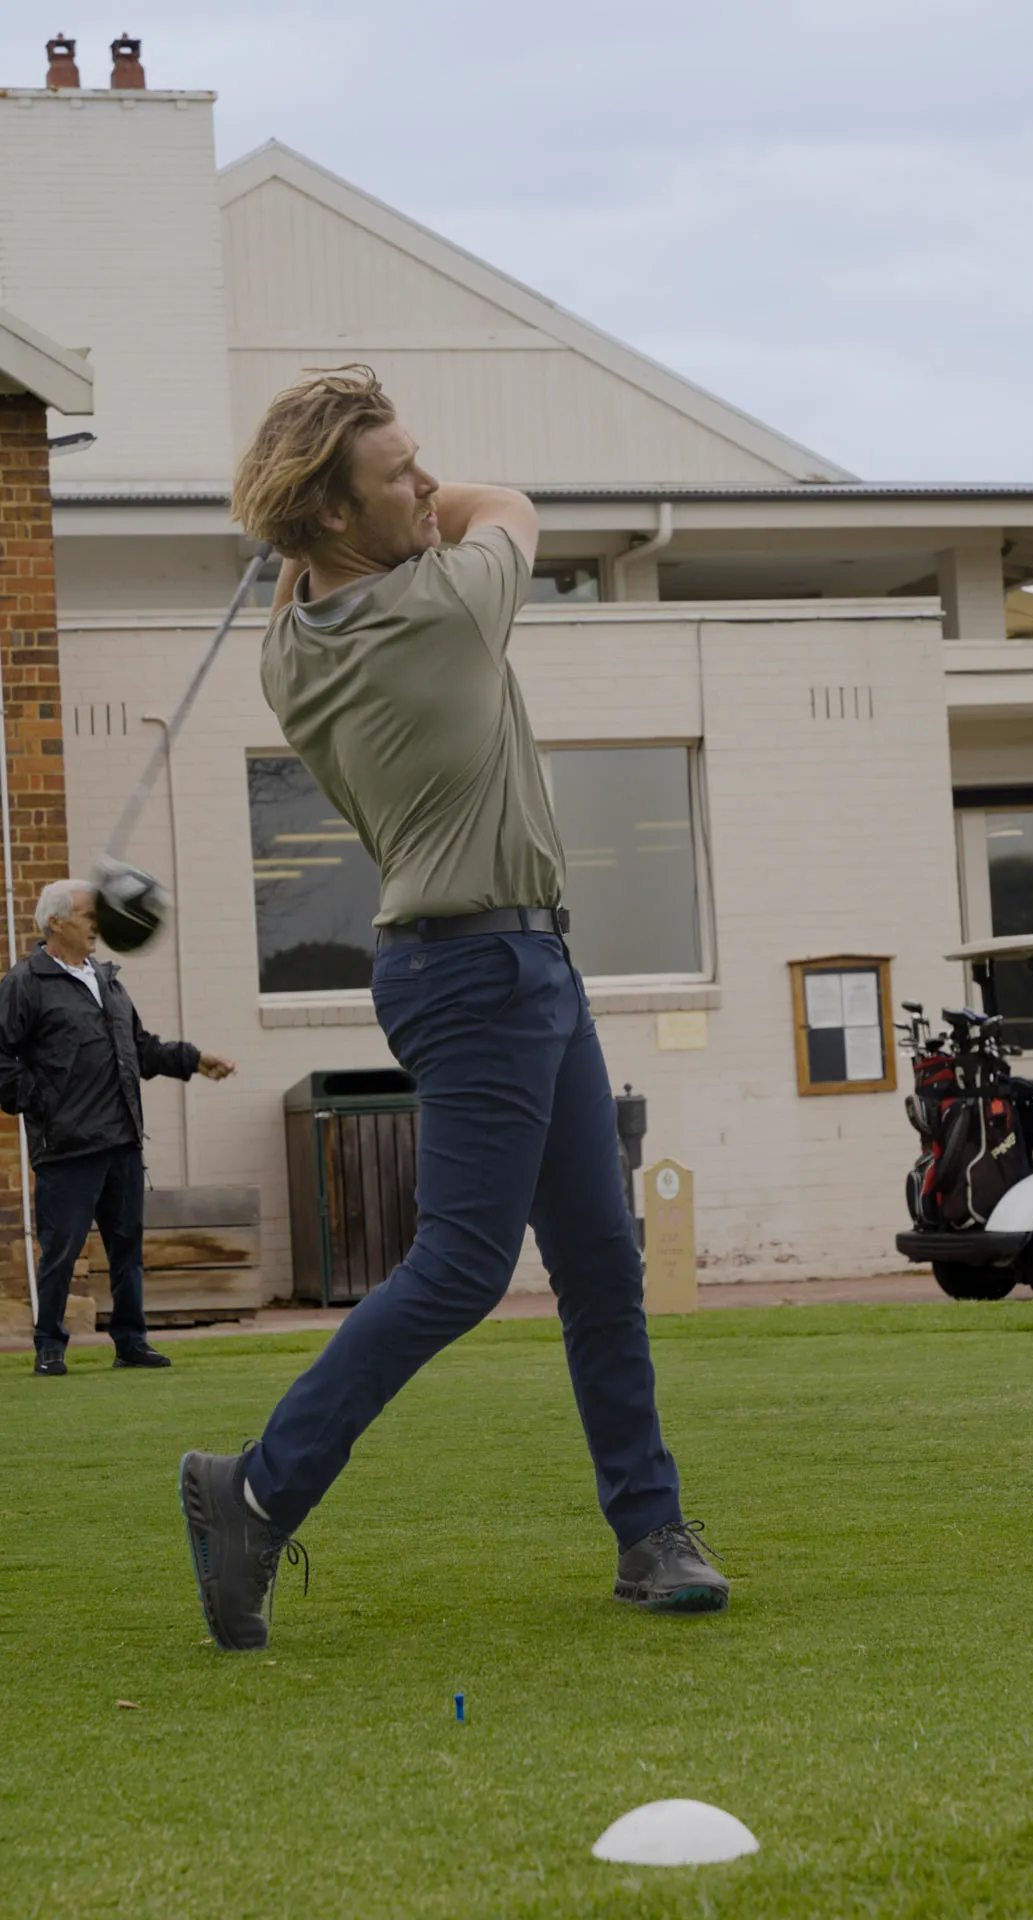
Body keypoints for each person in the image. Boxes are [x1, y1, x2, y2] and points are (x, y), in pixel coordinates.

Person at [179, 367, 727, 1651]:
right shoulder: (439, 611)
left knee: (598, 1260)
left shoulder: (291, 648)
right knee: (464, 1266)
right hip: (480, 971)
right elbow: (512, 502)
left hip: (504, 964)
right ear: (323, 519)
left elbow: (372, 537)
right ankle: (255, 1489)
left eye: (421, 463)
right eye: (396, 474)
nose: (427, 484)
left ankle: (651, 1533)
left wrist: (370, 489)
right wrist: (431, 500)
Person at [0, 879, 236, 1374]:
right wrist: (39, 1101)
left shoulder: (108, 981)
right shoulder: (26, 983)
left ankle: (131, 1341)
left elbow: (142, 1048)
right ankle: (49, 1345)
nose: (98, 926)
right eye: (89, 915)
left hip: (123, 1141)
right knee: (61, 1253)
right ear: (57, 922)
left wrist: (194, 1060)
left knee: (126, 1248)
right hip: (66, 1147)